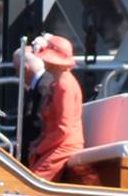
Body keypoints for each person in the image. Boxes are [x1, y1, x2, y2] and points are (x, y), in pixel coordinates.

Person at [25, 34, 86, 182]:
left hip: (64, 147)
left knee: (34, 183)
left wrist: (40, 148)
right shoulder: (58, 83)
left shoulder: (64, 85)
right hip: (56, 145)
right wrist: (38, 143)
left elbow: (63, 129)